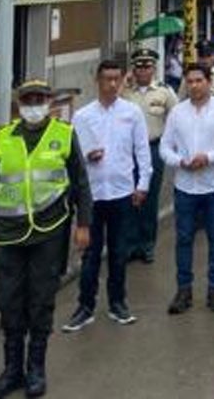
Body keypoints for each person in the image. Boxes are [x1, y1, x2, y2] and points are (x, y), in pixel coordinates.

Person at [0, 80, 92, 399]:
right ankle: (11, 370)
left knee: (40, 302)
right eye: (28, 100)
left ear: (49, 102)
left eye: (39, 99)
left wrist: (84, 224)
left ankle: (36, 369)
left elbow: (81, 183)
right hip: (7, 233)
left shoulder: (64, 134)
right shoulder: (4, 137)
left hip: (49, 231)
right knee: (9, 302)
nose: (34, 106)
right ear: (19, 104)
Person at [64, 60, 151, 331]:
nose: (112, 84)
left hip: (122, 192)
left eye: (117, 79)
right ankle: (85, 306)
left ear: (123, 80)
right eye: (107, 79)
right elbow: (72, 157)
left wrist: (143, 184)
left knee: (118, 251)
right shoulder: (82, 116)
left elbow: (142, 150)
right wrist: (87, 157)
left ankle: (118, 303)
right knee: (90, 254)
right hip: (92, 194)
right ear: (97, 81)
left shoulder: (132, 113)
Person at [159, 62, 214, 314]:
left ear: (209, 81)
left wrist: (210, 157)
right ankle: (183, 290)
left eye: (199, 80)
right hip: (185, 185)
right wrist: (179, 161)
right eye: (190, 81)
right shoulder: (177, 112)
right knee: (184, 238)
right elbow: (165, 147)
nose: (194, 86)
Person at [121, 48, 176, 264]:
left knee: (149, 198)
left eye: (147, 66)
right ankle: (129, 243)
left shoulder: (164, 92)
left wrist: (169, 143)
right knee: (128, 197)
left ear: (154, 68)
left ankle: (147, 245)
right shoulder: (126, 93)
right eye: (139, 66)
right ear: (133, 69)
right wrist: (124, 83)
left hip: (153, 149)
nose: (143, 70)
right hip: (128, 151)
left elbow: (176, 117)